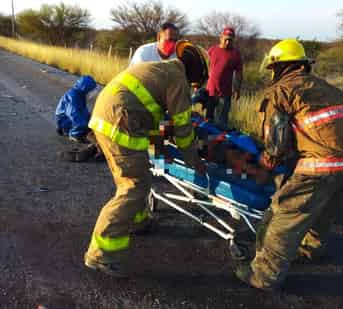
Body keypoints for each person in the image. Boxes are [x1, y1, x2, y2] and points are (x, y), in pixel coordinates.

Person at [235, 39, 343, 291]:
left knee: (283, 214)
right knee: (324, 209)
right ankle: (310, 249)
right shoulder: (328, 88)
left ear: (280, 67)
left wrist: (270, 160)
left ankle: (264, 275)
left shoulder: (281, 91)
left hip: (322, 164)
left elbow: (277, 140)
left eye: (273, 69)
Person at [84, 40, 209, 278]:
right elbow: (182, 129)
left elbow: (155, 117)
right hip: (120, 122)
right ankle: (100, 254)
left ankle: (138, 221)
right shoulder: (178, 81)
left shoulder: (162, 69)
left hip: (108, 115)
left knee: (137, 175)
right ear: (196, 73)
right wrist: (194, 162)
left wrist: (157, 154)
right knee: (133, 186)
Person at [206, 26, 243, 129]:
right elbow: (205, 65)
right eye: (226, 39)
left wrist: (237, 89)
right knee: (208, 121)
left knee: (221, 124)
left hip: (225, 94)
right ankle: (207, 143)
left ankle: (221, 144)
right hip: (210, 92)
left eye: (230, 40)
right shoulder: (212, 50)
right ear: (221, 38)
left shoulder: (235, 54)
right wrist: (198, 84)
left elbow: (239, 73)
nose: (227, 42)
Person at [55, 75, 97, 143]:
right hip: (64, 120)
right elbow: (75, 115)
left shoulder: (80, 95)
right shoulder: (73, 97)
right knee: (82, 122)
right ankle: (75, 134)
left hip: (68, 118)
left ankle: (77, 130)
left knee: (88, 120)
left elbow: (83, 111)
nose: (92, 93)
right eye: (91, 90)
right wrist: (86, 125)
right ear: (85, 88)